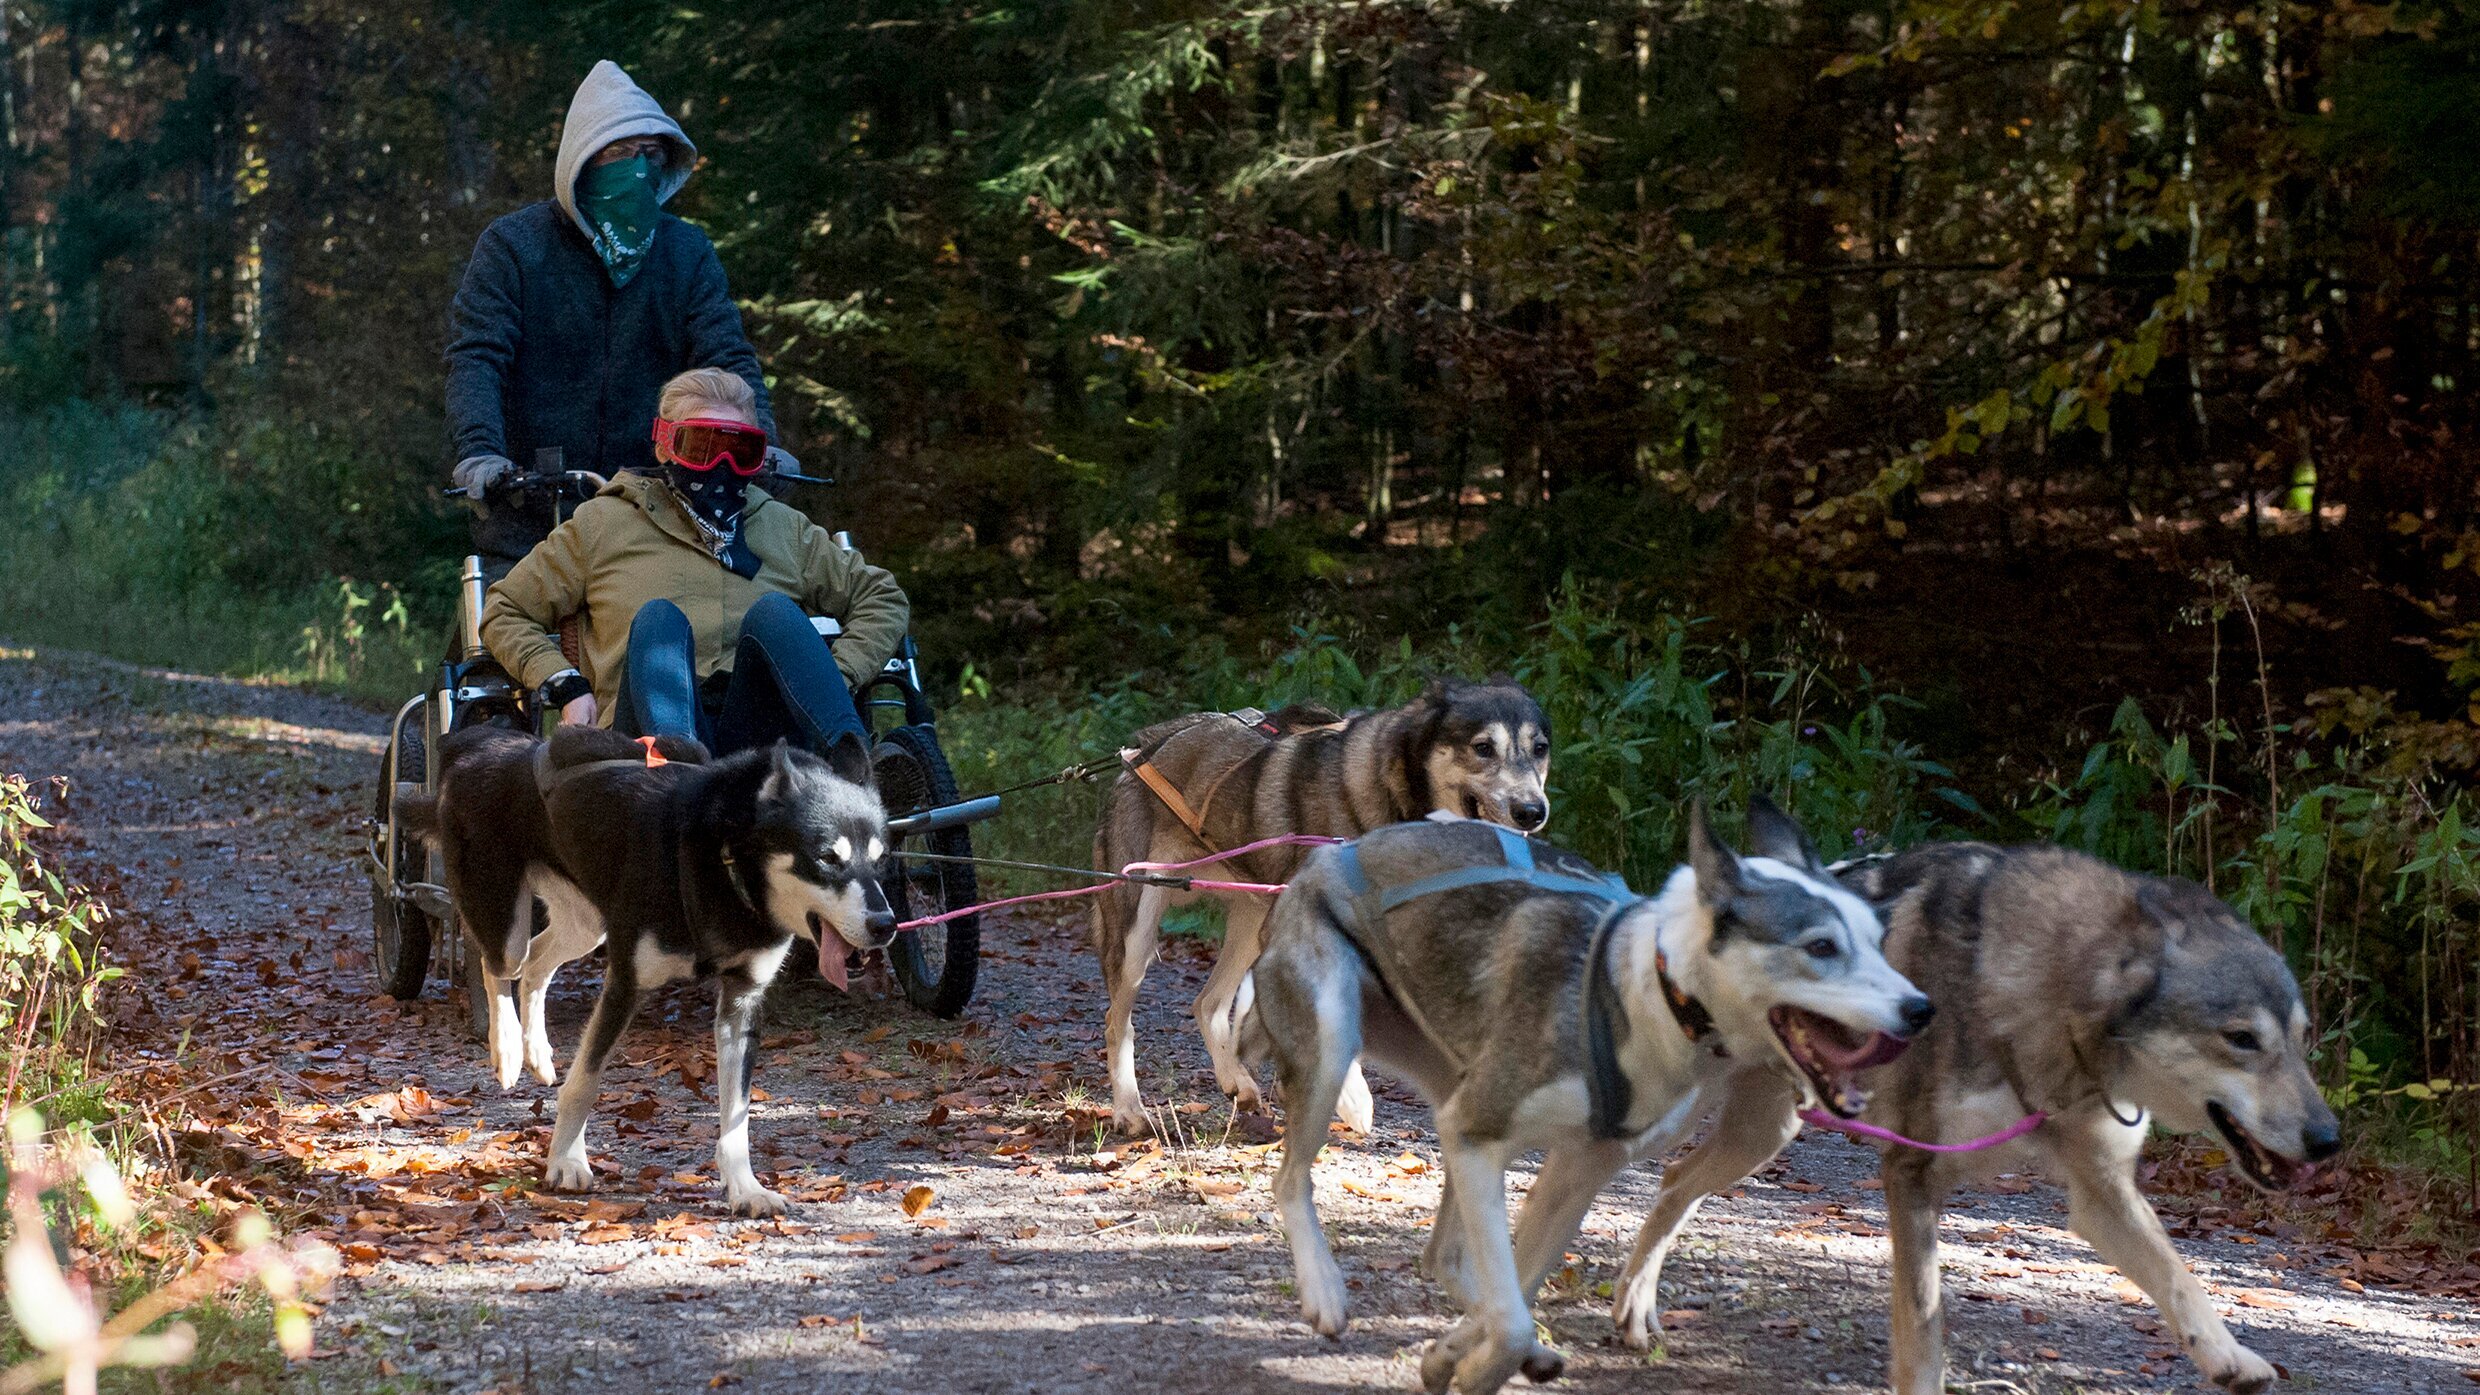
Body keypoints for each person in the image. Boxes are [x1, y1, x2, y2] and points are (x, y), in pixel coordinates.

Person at [445, 60, 799, 571]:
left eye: (650, 155)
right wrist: (481, 451)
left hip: (660, 513)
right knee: (508, 636)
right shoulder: (513, 247)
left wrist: (759, 443)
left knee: (686, 638)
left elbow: (726, 359)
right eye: (619, 154)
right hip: (531, 513)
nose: (636, 169)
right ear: (582, 160)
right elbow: (478, 356)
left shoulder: (685, 252)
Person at [480, 369, 907, 764]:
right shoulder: (604, 523)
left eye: (739, 451)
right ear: (666, 445)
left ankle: (853, 770)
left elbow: (881, 597)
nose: (722, 467)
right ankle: (681, 781)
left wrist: (838, 674)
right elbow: (505, 609)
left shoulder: (782, 528)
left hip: (764, 740)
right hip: (646, 739)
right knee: (658, 619)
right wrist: (564, 683)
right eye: (701, 448)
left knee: (775, 613)